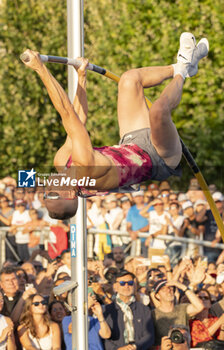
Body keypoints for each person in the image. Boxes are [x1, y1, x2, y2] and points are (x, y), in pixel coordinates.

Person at [21, 32, 209, 219]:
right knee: (158, 111)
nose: (48, 187)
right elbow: (66, 113)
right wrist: (41, 69)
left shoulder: (62, 161)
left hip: (132, 143)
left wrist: (81, 78)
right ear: (70, 194)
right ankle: (183, 71)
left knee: (129, 79)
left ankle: (182, 65)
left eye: (45, 194)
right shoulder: (86, 168)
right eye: (53, 193)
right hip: (160, 157)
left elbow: (77, 118)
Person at [103, 269, 154, 350]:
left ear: (134, 285)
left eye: (130, 283)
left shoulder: (144, 309)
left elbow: (149, 336)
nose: (126, 286)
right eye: (122, 283)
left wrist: (135, 347)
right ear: (115, 287)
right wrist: (118, 349)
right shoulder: (106, 310)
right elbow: (103, 338)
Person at [151, 278, 204, 346]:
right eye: (163, 289)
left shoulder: (182, 309)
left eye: (171, 288)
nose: (168, 290)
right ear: (157, 296)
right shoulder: (153, 314)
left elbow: (199, 307)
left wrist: (182, 286)